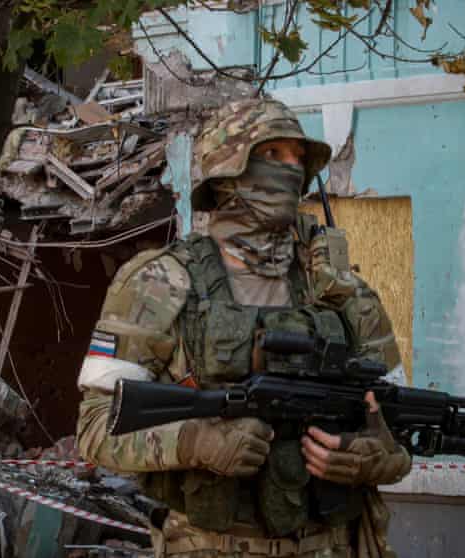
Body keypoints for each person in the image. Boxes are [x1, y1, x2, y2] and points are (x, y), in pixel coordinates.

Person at [77, 98, 412, 558]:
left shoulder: (341, 290)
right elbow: (96, 427)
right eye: (272, 154)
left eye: (298, 158)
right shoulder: (160, 282)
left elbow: (397, 428)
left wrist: (375, 456)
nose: (290, 168)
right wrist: (195, 442)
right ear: (227, 171)